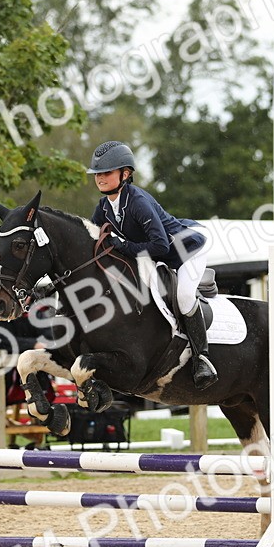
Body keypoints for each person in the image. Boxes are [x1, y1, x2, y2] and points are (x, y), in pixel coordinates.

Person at [85, 139, 217, 389]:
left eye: (106, 172)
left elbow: (160, 247)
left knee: (185, 297)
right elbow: (94, 246)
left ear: (125, 174)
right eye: (97, 173)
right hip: (160, 252)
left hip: (188, 247)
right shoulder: (103, 207)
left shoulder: (137, 202)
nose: (100, 178)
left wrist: (122, 246)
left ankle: (202, 359)